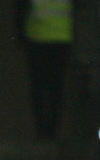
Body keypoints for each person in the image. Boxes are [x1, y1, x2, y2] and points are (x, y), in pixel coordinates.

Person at [19, 0, 74, 140]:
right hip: (62, 39)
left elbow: (20, 10)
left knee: (39, 88)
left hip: (38, 40)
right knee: (56, 88)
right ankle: (53, 130)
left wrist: (21, 37)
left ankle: (43, 131)